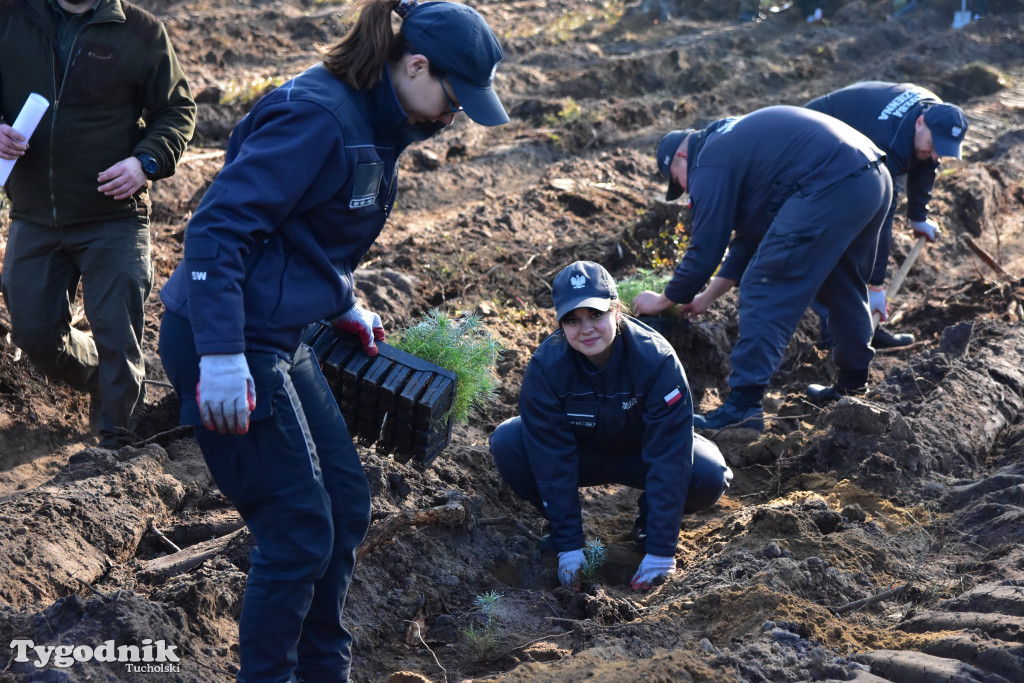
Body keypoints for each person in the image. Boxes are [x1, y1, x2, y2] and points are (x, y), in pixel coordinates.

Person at [157, 0, 508, 679]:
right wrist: (224, 357)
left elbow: (302, 225)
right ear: (415, 65)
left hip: (282, 332)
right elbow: (216, 233)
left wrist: (340, 298)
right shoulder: (319, 117)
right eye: (453, 100)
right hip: (227, 337)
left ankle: (324, 670)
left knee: (344, 506)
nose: (450, 117)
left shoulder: (382, 120)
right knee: (296, 531)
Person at [0, 0, 196, 448]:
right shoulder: (10, 17)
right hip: (35, 213)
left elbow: (178, 110)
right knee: (33, 332)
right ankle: (99, 374)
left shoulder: (141, 31)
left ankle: (117, 439)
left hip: (114, 217)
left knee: (117, 331)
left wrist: (145, 163)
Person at [632, 105, 893, 429]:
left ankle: (743, 406)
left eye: (678, 181)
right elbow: (746, 243)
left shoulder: (708, 161)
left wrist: (662, 300)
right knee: (840, 283)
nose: (687, 190)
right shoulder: (734, 147)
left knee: (764, 283)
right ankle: (852, 384)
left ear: (681, 158)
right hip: (871, 177)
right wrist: (704, 299)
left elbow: (706, 249)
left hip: (833, 180)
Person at [490, 261, 733, 592]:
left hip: (642, 456)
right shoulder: (546, 369)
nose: (586, 328)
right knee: (507, 442)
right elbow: (551, 457)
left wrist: (662, 552)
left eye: (596, 314)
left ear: (616, 311)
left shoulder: (656, 361)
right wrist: (569, 546)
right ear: (559, 323)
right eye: (572, 320)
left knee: (708, 473)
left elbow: (669, 455)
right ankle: (560, 529)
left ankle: (650, 527)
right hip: (582, 457)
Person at [805, 81, 969, 349]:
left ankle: (862, 329)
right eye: (934, 144)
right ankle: (836, 340)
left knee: (856, 245)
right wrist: (877, 286)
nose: (936, 153)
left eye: (943, 148)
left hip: (852, 141)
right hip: (816, 146)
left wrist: (918, 217)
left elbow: (926, 164)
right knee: (838, 244)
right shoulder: (887, 143)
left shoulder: (935, 116)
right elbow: (880, 218)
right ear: (919, 123)